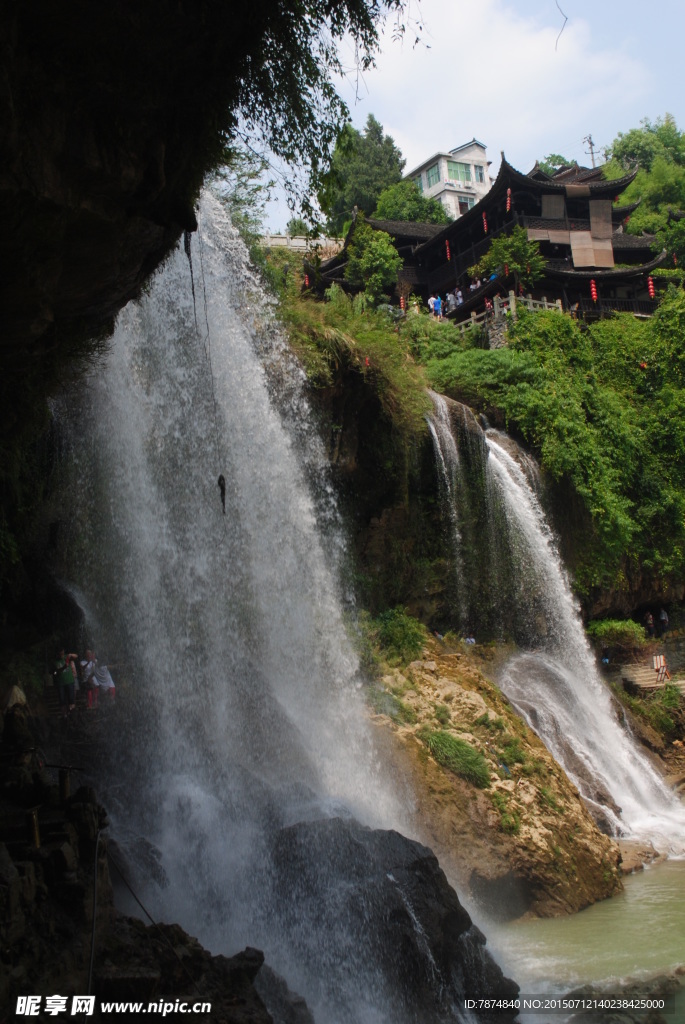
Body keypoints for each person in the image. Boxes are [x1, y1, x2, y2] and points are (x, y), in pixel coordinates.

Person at [54, 649, 78, 715]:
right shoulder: (55, 661)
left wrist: (70, 654)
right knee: (62, 700)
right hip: (61, 683)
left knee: (71, 699)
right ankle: (64, 714)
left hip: (70, 681)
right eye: (60, 654)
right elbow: (56, 672)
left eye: (63, 653)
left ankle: (72, 713)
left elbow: (76, 656)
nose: (62, 655)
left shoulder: (66, 657)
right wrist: (64, 667)